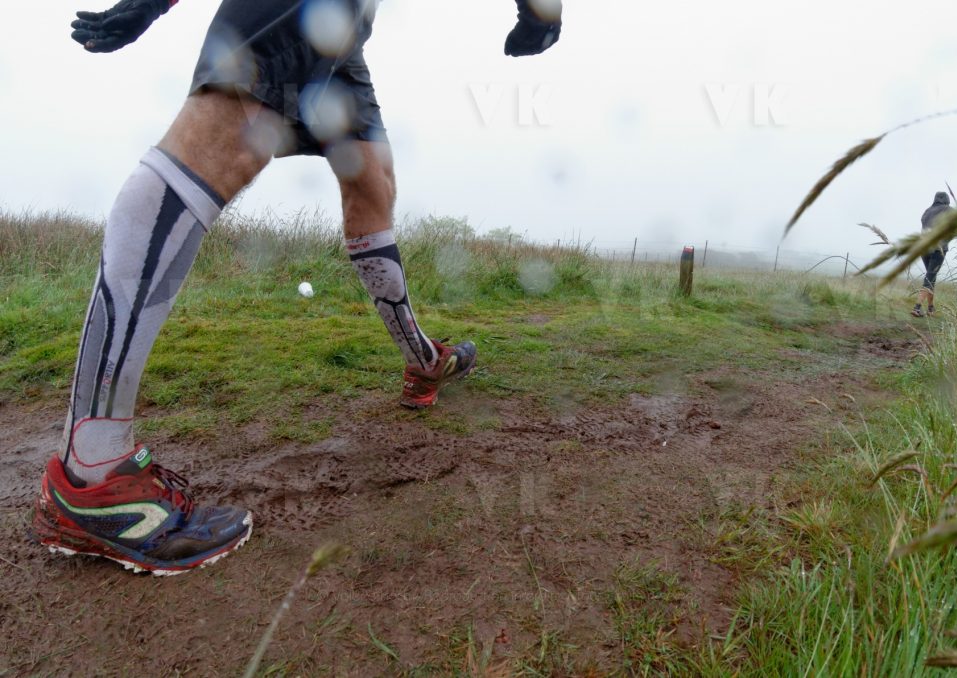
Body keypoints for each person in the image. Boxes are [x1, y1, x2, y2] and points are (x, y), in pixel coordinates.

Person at [31, 0, 563, 575]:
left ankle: (422, 360)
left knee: (373, 182)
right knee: (221, 138)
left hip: (349, 35)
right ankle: (92, 475)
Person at [912, 191, 952, 317]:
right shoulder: (948, 210)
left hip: (923, 248)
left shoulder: (927, 211)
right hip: (938, 249)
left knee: (931, 278)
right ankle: (917, 308)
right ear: (947, 199)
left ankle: (930, 308)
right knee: (929, 278)